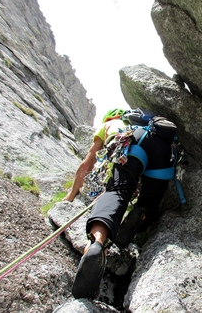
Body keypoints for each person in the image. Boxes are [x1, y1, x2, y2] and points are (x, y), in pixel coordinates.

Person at [64, 108, 176, 299]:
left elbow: (88, 162)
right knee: (149, 202)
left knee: (117, 191)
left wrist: (70, 195)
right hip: (163, 149)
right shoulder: (146, 121)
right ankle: (139, 215)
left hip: (134, 143)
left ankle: (97, 242)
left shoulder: (108, 125)